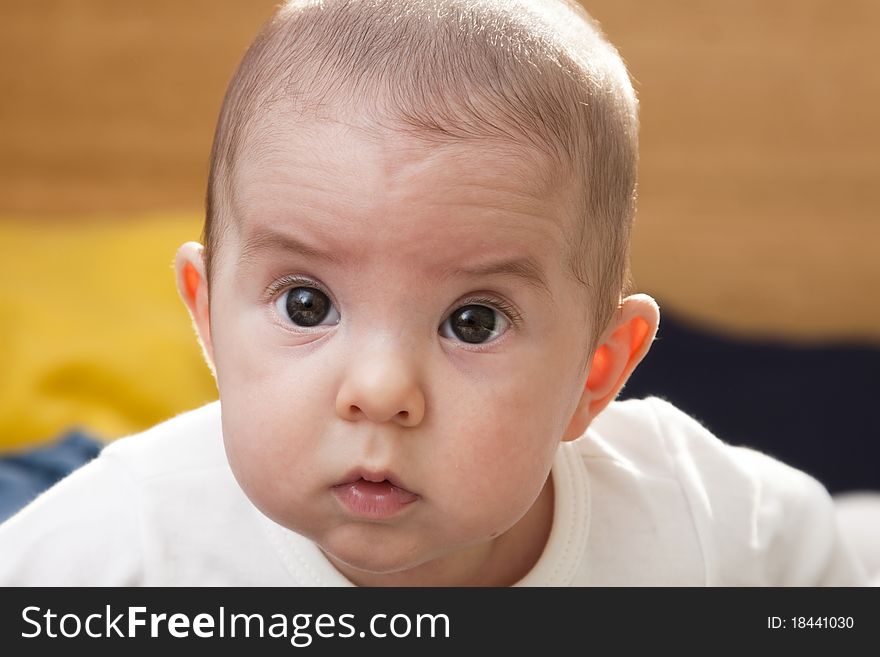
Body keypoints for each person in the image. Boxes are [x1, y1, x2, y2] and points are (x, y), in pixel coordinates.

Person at [0, 0, 866, 586]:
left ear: (596, 373)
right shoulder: (111, 554)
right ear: (208, 320)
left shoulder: (712, 530)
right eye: (308, 305)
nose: (379, 390)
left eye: (473, 321)